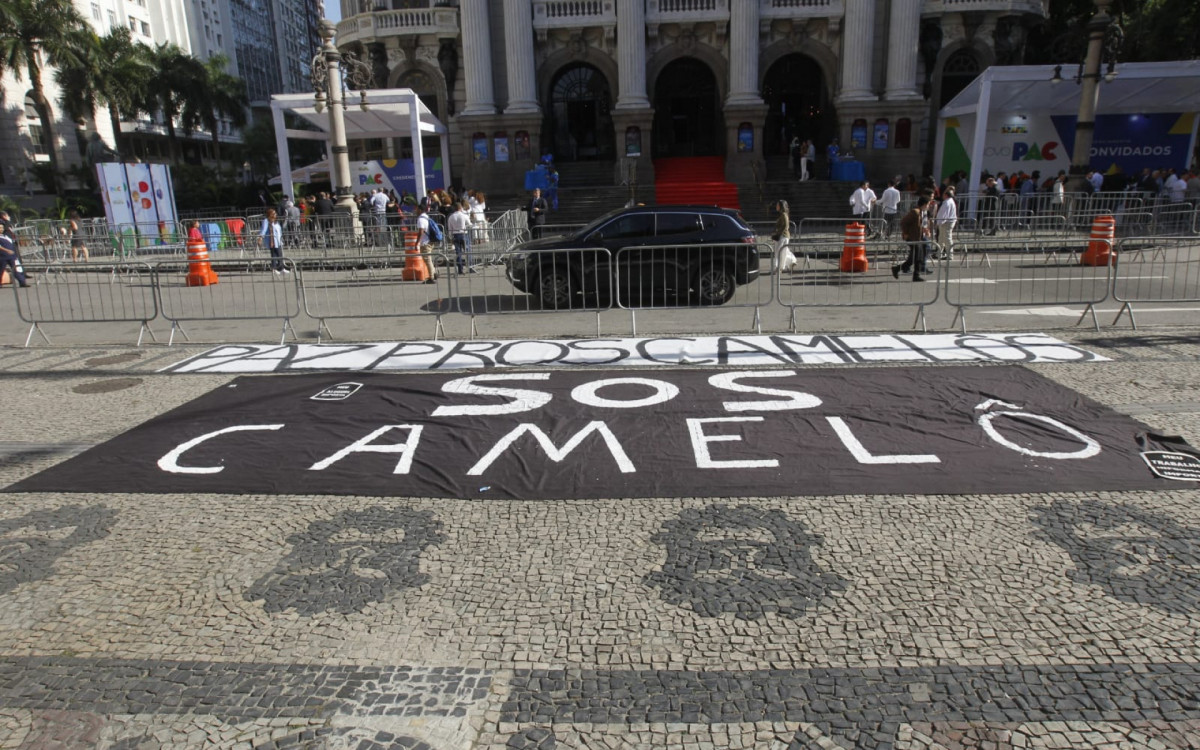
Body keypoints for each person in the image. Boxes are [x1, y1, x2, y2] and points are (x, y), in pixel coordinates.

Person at [892, 195, 930, 282]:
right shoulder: (915, 212)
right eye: (928, 204)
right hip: (912, 238)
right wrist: (905, 233)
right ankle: (908, 273)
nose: (928, 206)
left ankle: (900, 270)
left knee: (916, 257)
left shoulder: (921, 212)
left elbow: (918, 225)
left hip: (917, 238)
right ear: (924, 204)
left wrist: (924, 230)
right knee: (917, 257)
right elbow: (903, 222)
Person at [447, 200, 474, 274]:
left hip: (455, 235)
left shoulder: (451, 217)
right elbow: (470, 224)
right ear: (460, 208)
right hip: (463, 233)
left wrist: (450, 237)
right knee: (468, 251)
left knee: (458, 253)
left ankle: (460, 269)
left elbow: (449, 229)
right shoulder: (463, 215)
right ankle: (470, 268)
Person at [414, 204, 438, 282]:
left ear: (420, 210)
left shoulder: (421, 219)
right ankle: (434, 273)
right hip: (430, 241)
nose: (415, 211)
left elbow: (421, 231)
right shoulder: (426, 217)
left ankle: (431, 277)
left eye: (416, 209)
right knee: (429, 259)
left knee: (427, 260)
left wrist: (417, 243)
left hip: (425, 242)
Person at [772, 200, 797, 273]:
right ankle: (791, 261)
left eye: (777, 205)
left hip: (783, 236)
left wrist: (778, 234)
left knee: (780, 252)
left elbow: (786, 226)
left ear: (781, 206)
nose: (776, 206)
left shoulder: (783, 214)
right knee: (784, 251)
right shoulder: (782, 214)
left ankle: (780, 267)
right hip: (783, 235)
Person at [260, 208, 286, 275]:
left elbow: (279, 230)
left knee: (279, 254)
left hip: (278, 240)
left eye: (275, 213)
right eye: (274, 213)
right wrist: (260, 238)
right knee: (275, 255)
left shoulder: (275, 221)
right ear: (270, 214)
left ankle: (280, 268)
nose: (275, 215)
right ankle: (276, 268)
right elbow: (263, 230)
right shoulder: (266, 221)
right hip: (272, 241)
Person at [935, 186, 957, 262]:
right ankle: (939, 253)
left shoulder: (947, 203)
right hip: (947, 222)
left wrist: (939, 222)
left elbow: (943, 214)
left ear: (946, 195)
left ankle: (950, 255)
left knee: (947, 238)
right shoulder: (950, 202)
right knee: (941, 238)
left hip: (946, 222)